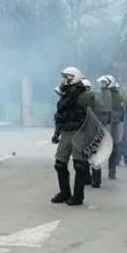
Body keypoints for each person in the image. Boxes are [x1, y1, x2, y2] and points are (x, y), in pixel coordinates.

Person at [52, 66, 95, 206]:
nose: (65, 80)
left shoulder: (85, 95)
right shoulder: (65, 95)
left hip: (79, 132)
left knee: (80, 165)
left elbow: (96, 114)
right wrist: (56, 133)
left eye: (68, 77)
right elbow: (60, 116)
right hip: (65, 132)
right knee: (59, 164)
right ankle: (64, 192)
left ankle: (78, 196)